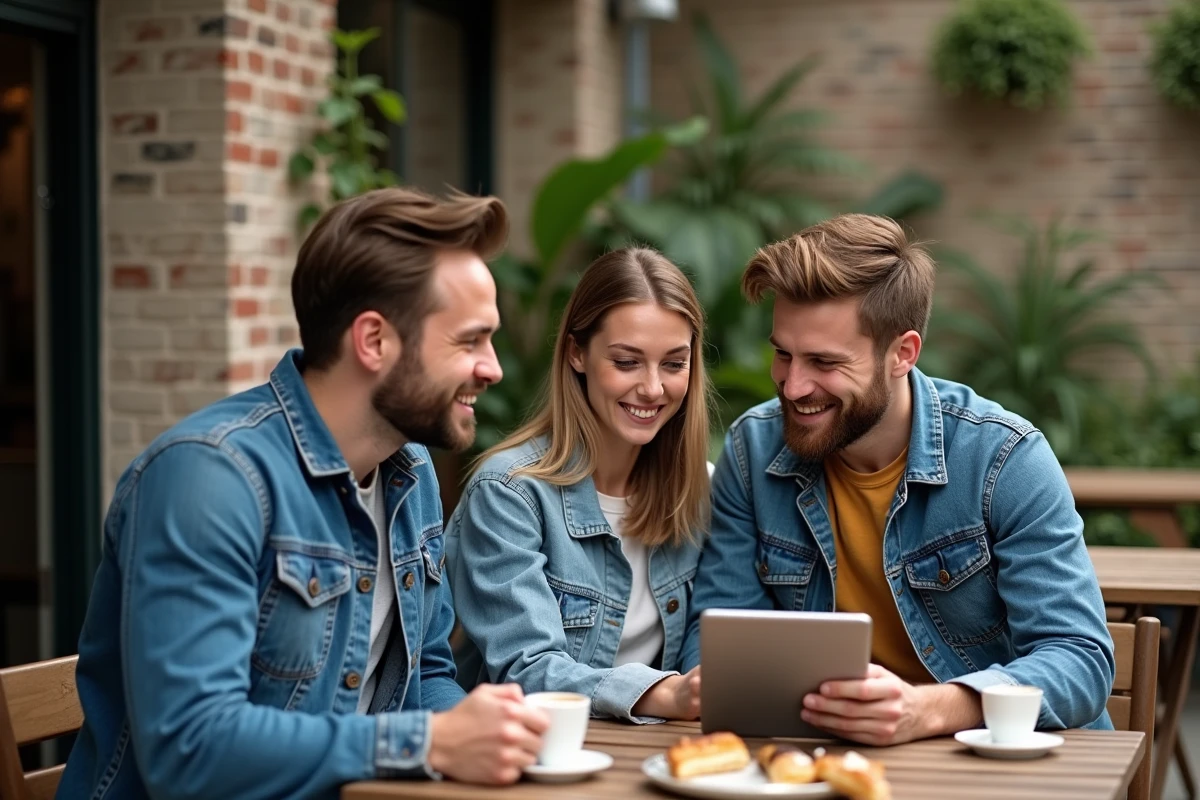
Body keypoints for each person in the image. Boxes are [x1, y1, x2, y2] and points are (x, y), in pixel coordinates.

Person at [59, 188, 550, 800]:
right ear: (373, 341)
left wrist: (489, 737)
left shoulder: (410, 472)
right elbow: (190, 749)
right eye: (469, 340)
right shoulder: (209, 479)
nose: (493, 367)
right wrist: (431, 742)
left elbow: (423, 676)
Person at [682, 214, 1114, 745]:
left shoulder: (1003, 457)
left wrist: (929, 710)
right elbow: (717, 642)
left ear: (902, 354)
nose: (793, 386)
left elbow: (1079, 659)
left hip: (993, 764)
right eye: (783, 354)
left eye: (824, 361)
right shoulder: (752, 451)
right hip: (824, 759)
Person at [446, 247, 710, 723]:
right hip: (531, 758)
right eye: (627, 362)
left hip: (651, 756)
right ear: (577, 354)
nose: (653, 388)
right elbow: (525, 670)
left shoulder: (700, 492)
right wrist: (665, 695)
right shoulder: (509, 494)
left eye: (674, 364)